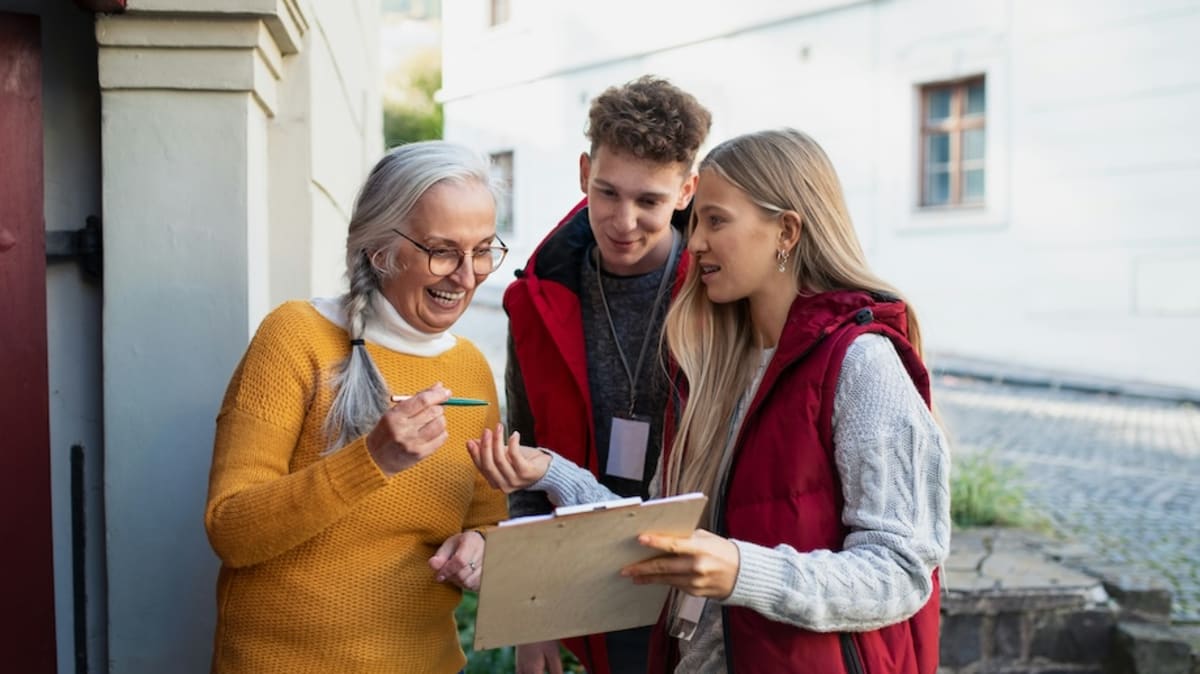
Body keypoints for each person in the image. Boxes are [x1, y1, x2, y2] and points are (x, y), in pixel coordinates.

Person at [470, 128, 950, 674]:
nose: (694, 241)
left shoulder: (862, 365)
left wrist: (741, 571)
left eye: (715, 220)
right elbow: (655, 531)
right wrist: (550, 472)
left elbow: (901, 571)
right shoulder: (713, 366)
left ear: (786, 232)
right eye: (696, 220)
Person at [204, 140, 510, 673]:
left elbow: (487, 519)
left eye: (483, 249)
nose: (468, 276)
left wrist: (480, 546)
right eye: (443, 250)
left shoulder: (472, 370)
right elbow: (231, 530)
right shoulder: (296, 337)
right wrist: (372, 460)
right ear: (379, 250)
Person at [502, 75, 711, 674]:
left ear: (686, 189)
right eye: (607, 193)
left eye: (649, 201)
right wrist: (531, 616)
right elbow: (525, 457)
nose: (623, 221)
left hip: (704, 585)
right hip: (589, 584)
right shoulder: (538, 298)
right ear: (583, 172)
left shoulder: (721, 290)